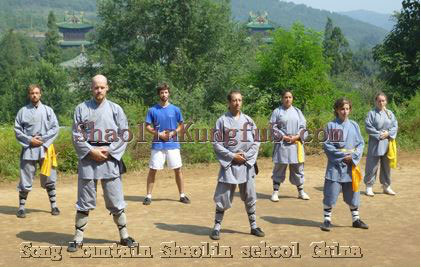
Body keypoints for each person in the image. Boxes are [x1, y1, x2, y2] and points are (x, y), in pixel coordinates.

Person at [67, 75, 135, 252]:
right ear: (92, 88)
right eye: (96, 87)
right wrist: (91, 151)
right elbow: (77, 135)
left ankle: (124, 235)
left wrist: (109, 150)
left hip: (109, 157)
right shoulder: (81, 109)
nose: (99, 90)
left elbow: (124, 133)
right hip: (88, 158)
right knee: (84, 199)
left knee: (115, 198)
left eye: (102, 87)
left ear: (107, 88)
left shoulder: (115, 109)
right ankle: (78, 237)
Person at [209, 90, 264, 240]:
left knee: (250, 196)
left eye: (239, 100)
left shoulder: (248, 120)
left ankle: (253, 226)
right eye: (234, 100)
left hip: (246, 164)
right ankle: (217, 227)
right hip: (230, 164)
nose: (237, 103)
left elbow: (256, 142)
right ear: (229, 102)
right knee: (223, 196)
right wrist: (232, 156)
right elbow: (216, 143)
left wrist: (245, 157)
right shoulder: (222, 121)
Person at [320, 98, 368, 231]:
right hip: (335, 166)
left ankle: (356, 219)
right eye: (342, 109)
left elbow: (360, 144)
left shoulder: (354, 125)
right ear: (336, 110)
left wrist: (353, 157)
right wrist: (343, 156)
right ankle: (327, 220)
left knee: (353, 193)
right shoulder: (330, 126)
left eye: (347, 109)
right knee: (331, 192)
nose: (345, 112)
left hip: (351, 165)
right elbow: (327, 145)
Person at [14, 84, 60, 218]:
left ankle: (54, 205)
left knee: (50, 177)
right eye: (32, 93)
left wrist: (43, 139)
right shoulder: (22, 111)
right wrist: (29, 140)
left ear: (40, 94)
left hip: (45, 148)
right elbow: (17, 130)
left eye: (37, 93)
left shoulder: (48, 110)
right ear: (29, 95)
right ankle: (22, 208)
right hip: (29, 149)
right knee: (25, 179)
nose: (34, 95)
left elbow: (55, 128)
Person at [143, 83, 190, 205]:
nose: (164, 94)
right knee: (153, 170)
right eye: (162, 92)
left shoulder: (175, 109)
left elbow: (181, 125)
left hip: (173, 144)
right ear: (159, 94)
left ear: (169, 93)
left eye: (166, 92)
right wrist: (159, 134)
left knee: (178, 170)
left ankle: (182, 195)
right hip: (158, 145)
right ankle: (148, 196)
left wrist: (174, 132)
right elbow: (147, 126)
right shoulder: (152, 110)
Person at [269, 90, 310, 202]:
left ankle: (301, 192)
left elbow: (303, 126)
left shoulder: (297, 111)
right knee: (279, 167)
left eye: (290, 97)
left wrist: (297, 136)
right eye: (286, 97)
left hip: (296, 144)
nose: (288, 99)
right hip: (282, 144)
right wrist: (283, 137)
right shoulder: (277, 111)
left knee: (298, 168)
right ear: (282, 99)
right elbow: (273, 127)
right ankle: (275, 192)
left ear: (292, 99)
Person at [364, 92, 398, 196]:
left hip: (387, 143)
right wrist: (379, 134)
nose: (381, 102)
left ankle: (386, 186)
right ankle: (369, 187)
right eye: (379, 100)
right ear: (375, 101)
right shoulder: (371, 113)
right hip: (375, 143)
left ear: (386, 102)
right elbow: (368, 127)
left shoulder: (390, 113)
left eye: (383, 100)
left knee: (386, 166)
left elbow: (395, 126)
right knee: (372, 165)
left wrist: (388, 133)